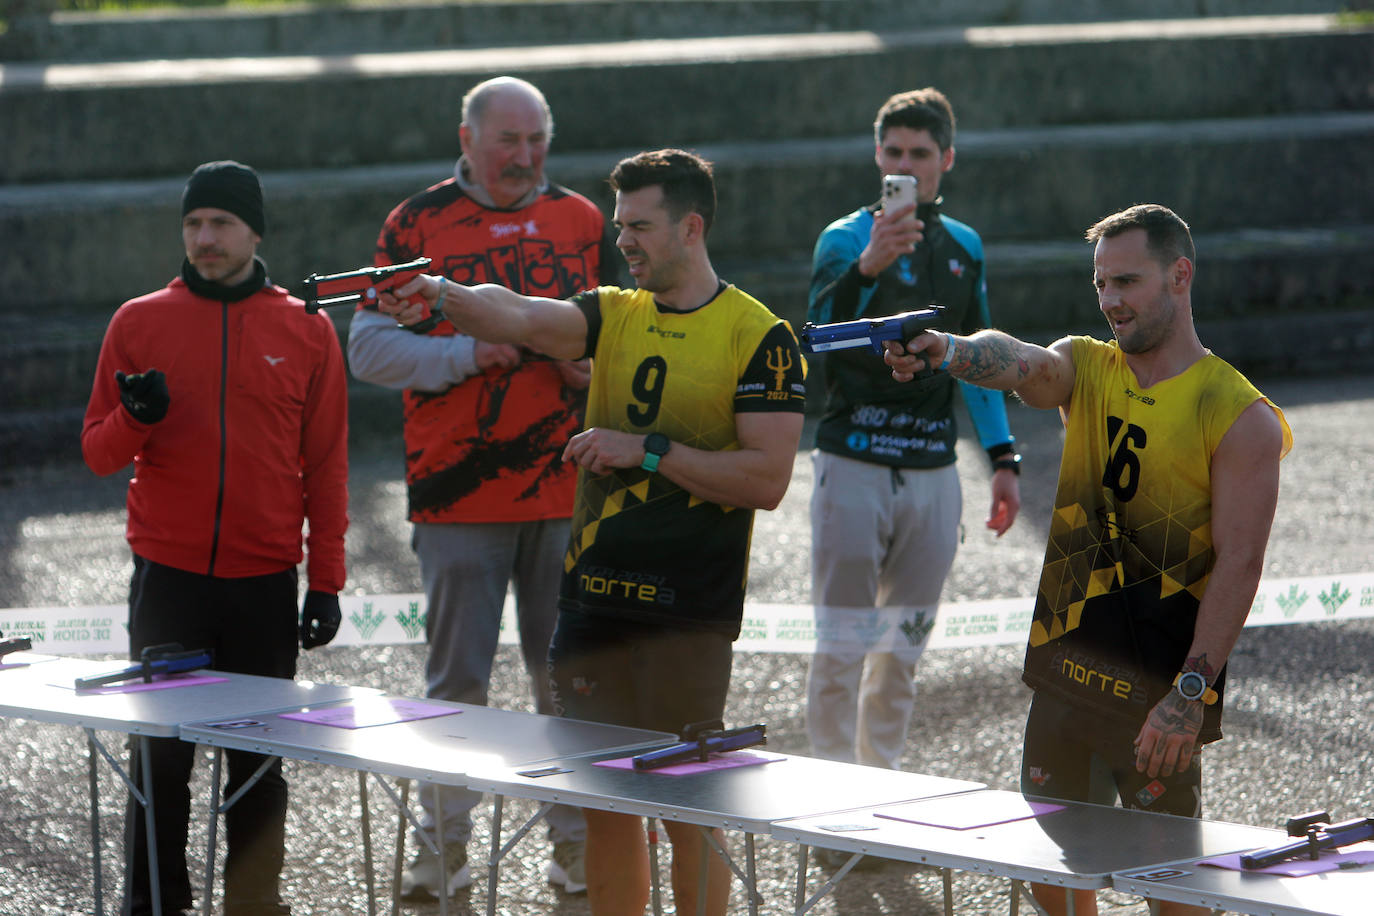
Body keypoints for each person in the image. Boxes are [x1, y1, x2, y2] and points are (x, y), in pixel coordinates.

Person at [382, 148, 807, 916]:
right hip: (593, 612)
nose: (625, 242)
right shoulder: (613, 311)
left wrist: (648, 450)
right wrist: (438, 290)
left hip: (687, 614)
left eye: (640, 227)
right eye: (619, 227)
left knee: (690, 815)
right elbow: (513, 313)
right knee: (607, 811)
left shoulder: (760, 334)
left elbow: (766, 479)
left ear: (691, 227)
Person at [885, 203, 1292, 916]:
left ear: (1180, 275)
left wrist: (1188, 696)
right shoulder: (1089, 365)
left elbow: (1242, 563)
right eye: (1100, 284)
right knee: (1052, 873)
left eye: (1126, 282)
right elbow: (1025, 364)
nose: (1109, 301)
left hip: (1157, 703)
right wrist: (948, 349)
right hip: (1065, 676)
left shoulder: (1238, 414)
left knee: (1174, 889)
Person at [346, 76, 617, 899]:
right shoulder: (415, 224)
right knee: (455, 685)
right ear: (466, 140)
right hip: (457, 497)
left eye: (538, 140)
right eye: (509, 141)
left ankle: (575, 849)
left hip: (568, 489)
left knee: (566, 681)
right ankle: (442, 850)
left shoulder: (583, 220)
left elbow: (634, 332)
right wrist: (463, 356)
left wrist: (594, 366)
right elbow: (367, 348)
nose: (525, 158)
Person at [81, 160, 349, 916]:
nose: (206, 238)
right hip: (168, 577)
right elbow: (98, 453)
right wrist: (138, 417)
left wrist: (326, 578)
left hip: (264, 580)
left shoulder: (305, 326)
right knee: (159, 761)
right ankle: (154, 905)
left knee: (258, 767)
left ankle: (253, 905)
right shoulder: (138, 322)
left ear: (254, 231)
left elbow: (327, 466)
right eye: (194, 223)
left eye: (221, 223)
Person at [804, 88, 1022, 785]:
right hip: (853, 461)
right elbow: (817, 339)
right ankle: (831, 806)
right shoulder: (842, 240)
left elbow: (978, 360)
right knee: (841, 647)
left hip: (931, 470)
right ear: (877, 157)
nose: (906, 164)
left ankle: (882, 785)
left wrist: (1002, 458)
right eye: (893, 152)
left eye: (920, 154)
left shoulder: (964, 248)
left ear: (945, 160)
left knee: (902, 649)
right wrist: (868, 267)